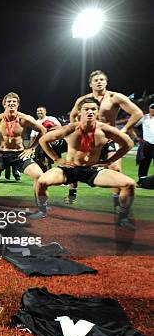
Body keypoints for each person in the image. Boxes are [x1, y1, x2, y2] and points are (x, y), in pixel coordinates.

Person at [29, 98, 136, 229]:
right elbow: (44, 140)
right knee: (41, 182)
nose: (90, 112)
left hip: (92, 170)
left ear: (98, 112)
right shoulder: (71, 129)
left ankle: (123, 218)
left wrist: (109, 161)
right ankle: (42, 210)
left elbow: (129, 144)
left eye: (93, 109)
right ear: (80, 111)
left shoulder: (105, 130)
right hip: (69, 169)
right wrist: (57, 159)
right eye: (86, 109)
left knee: (129, 184)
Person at [66, 70, 143, 205]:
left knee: (116, 169)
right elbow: (73, 114)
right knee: (75, 165)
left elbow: (137, 113)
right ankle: (72, 193)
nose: (99, 82)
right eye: (96, 80)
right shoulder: (84, 100)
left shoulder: (115, 97)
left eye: (102, 79)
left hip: (108, 139)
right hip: (88, 138)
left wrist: (124, 130)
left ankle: (115, 199)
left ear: (106, 82)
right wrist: (75, 131)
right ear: (90, 84)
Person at [0, 92, 46, 202]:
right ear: (4, 104)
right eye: (9, 101)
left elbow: (43, 130)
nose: (11, 103)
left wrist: (31, 148)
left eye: (14, 101)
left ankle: (40, 206)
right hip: (2, 155)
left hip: (19, 155)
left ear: (18, 104)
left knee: (39, 176)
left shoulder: (24, 118)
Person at [31, 106, 61, 172]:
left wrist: (48, 129)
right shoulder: (36, 123)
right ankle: (45, 172)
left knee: (49, 160)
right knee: (38, 160)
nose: (39, 112)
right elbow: (32, 136)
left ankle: (51, 173)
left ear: (45, 111)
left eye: (41, 110)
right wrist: (32, 148)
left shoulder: (51, 119)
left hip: (51, 141)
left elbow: (59, 127)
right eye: (38, 111)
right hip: (40, 143)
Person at [135, 103, 154, 185]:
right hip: (147, 144)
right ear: (149, 109)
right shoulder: (144, 117)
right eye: (152, 108)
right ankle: (141, 181)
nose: (153, 109)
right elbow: (133, 126)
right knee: (144, 163)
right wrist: (137, 138)